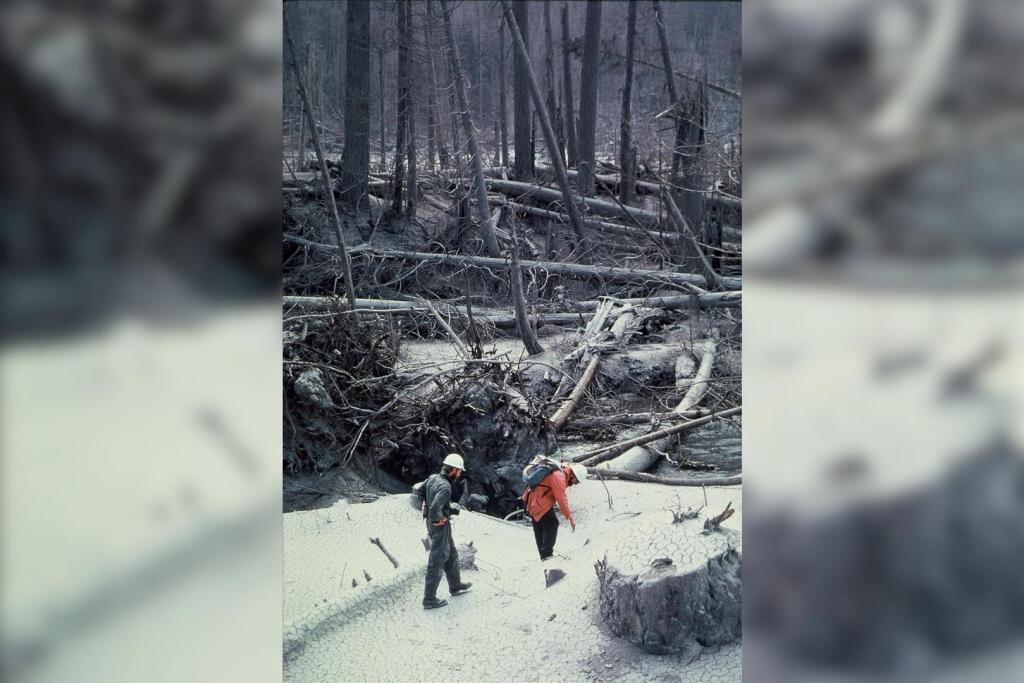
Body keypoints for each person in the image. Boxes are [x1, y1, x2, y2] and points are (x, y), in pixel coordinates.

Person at [422, 453, 473, 610]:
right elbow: (436, 506)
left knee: (451, 553)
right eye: (459, 471)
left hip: (434, 525)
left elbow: (419, 492)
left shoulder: (432, 478)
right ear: (453, 470)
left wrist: (446, 509)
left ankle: (455, 586)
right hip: (440, 527)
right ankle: (429, 599)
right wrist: (438, 518)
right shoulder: (445, 486)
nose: (459, 475)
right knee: (437, 560)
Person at [524, 461, 587, 561]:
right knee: (552, 523)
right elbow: (561, 499)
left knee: (540, 525)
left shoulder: (561, 469)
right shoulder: (559, 477)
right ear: (572, 475)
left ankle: (544, 555)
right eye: (576, 481)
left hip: (533, 501)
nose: (575, 484)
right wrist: (570, 517)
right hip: (538, 503)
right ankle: (547, 555)